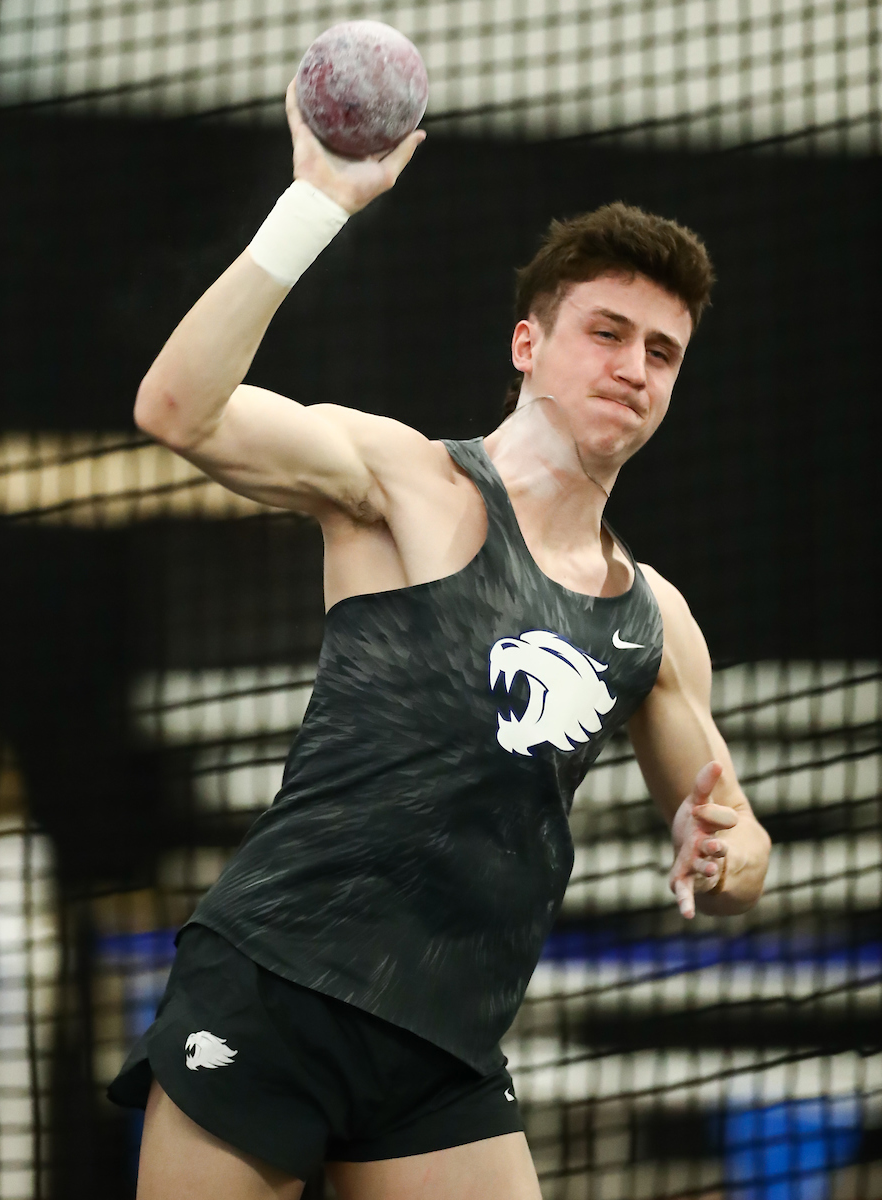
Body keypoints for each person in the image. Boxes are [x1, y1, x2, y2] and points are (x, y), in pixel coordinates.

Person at [110, 82, 772, 1200]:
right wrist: (314, 203)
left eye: (662, 352)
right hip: (275, 986)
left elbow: (726, 829)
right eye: (607, 332)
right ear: (528, 342)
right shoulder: (401, 480)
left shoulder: (653, 620)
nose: (634, 367)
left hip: (441, 1048)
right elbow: (177, 408)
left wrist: (736, 856)